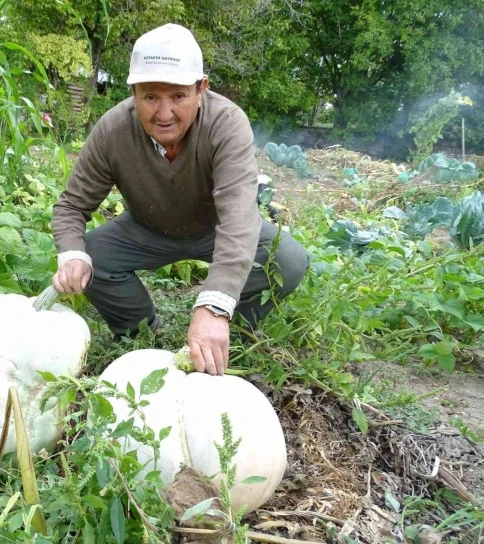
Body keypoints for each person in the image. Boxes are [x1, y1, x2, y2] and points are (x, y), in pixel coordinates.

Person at [50, 23, 308, 376]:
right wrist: (72, 255)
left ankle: (232, 330)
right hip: (146, 229)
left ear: (201, 89)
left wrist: (215, 304)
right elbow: (71, 206)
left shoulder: (226, 124)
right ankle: (139, 330)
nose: (164, 113)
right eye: (150, 97)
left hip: (215, 228)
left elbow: (238, 217)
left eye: (178, 96)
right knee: (92, 255)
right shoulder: (113, 131)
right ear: (133, 92)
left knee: (287, 259)